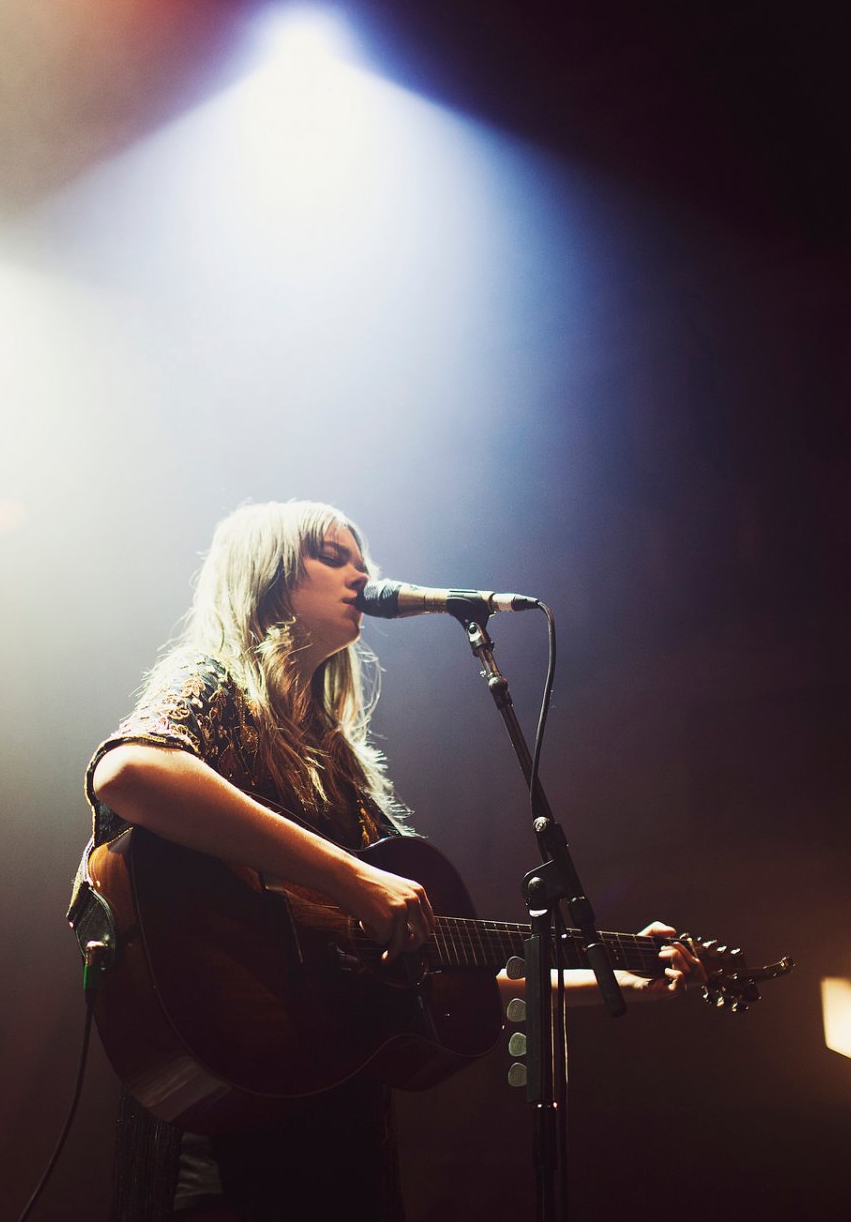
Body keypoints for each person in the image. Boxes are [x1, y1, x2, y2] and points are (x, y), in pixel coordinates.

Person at [79, 500, 706, 1220]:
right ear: (271, 576)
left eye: (361, 558)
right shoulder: (214, 685)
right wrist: (352, 877)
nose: (362, 573)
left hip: (339, 1128)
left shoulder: (338, 762)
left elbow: (436, 970)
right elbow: (129, 772)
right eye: (333, 555)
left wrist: (615, 974)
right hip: (228, 1126)